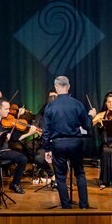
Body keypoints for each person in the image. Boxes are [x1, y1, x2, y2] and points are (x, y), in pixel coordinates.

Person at [41, 75, 95, 209]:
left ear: (55, 87)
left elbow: (45, 131)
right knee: (80, 173)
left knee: (60, 176)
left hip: (58, 144)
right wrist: (91, 115)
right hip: (75, 143)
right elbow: (87, 126)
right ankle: (83, 204)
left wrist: (47, 149)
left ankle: (66, 206)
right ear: (69, 86)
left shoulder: (50, 106)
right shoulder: (77, 104)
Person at [0, 98, 34, 196]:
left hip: (2, 150)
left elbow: (14, 136)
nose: (9, 111)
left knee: (23, 159)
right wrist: (0, 134)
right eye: (6, 109)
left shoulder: (5, 121)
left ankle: (15, 183)